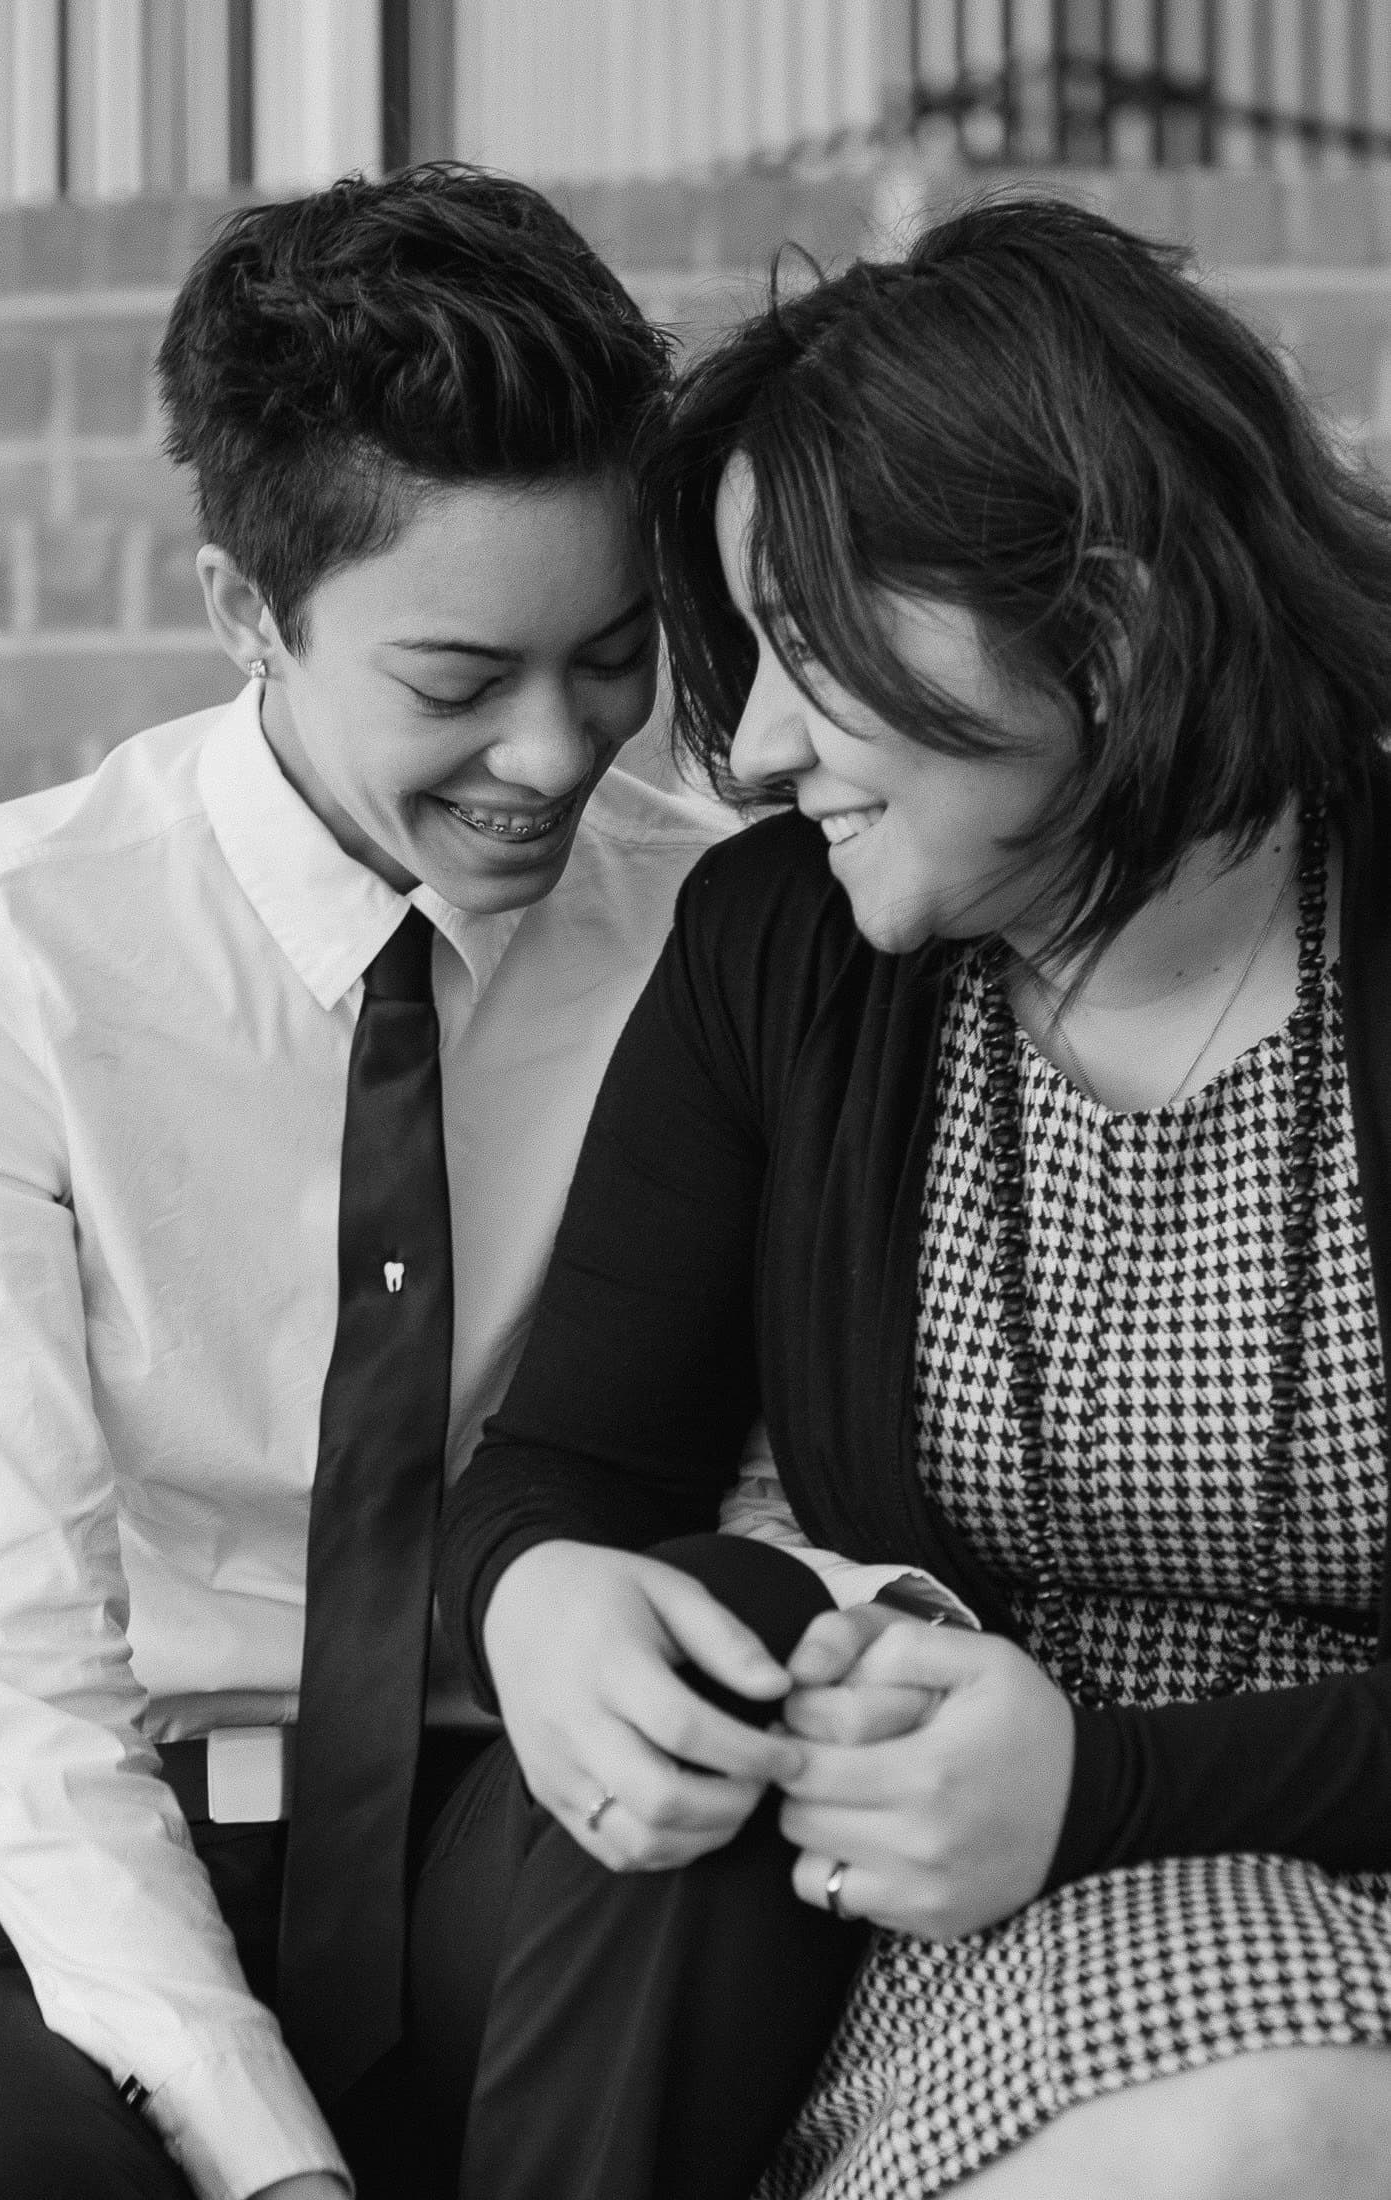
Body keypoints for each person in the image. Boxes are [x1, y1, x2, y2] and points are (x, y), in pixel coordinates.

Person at [432, 196, 1391, 2198]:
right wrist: (538, 1599)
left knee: (1277, 2129)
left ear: (1104, 628)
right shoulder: (782, 949)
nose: (758, 749)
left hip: (1331, 1851)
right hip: (921, 1907)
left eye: (807, 651)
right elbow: (560, 1464)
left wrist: (1100, 1779)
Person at [0, 164, 738, 2200]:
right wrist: (274, 2169)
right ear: (243, 618)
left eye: (615, 656)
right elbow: (20, 1677)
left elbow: (753, 1483)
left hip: (516, 1820)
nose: (553, 756)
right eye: (458, 685)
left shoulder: (713, 925)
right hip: (89, 1832)